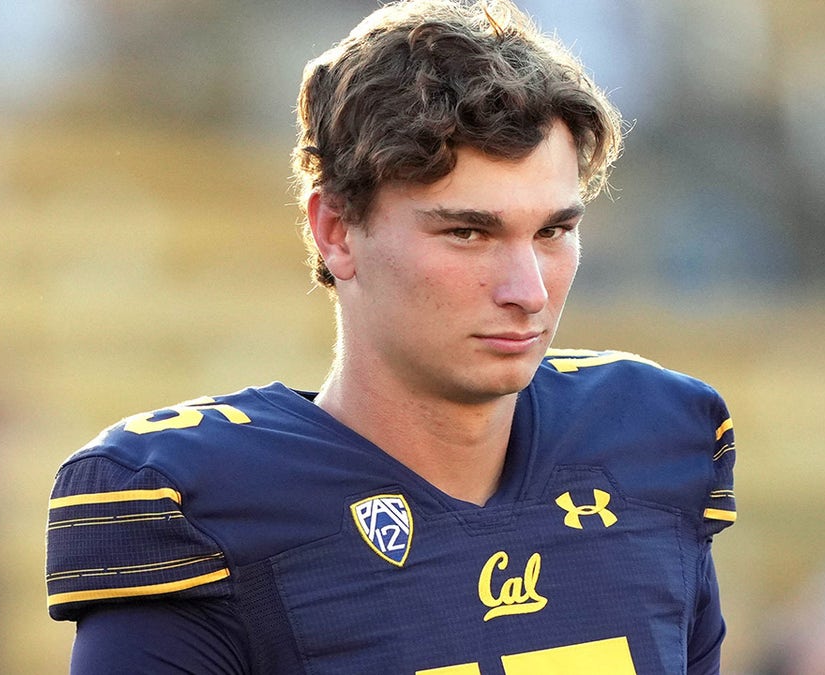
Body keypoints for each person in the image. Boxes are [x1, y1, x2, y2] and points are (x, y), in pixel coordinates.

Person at [44, 1, 738, 672]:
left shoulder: (650, 443)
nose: (527, 290)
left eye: (553, 231)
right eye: (468, 232)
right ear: (337, 231)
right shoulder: (204, 511)